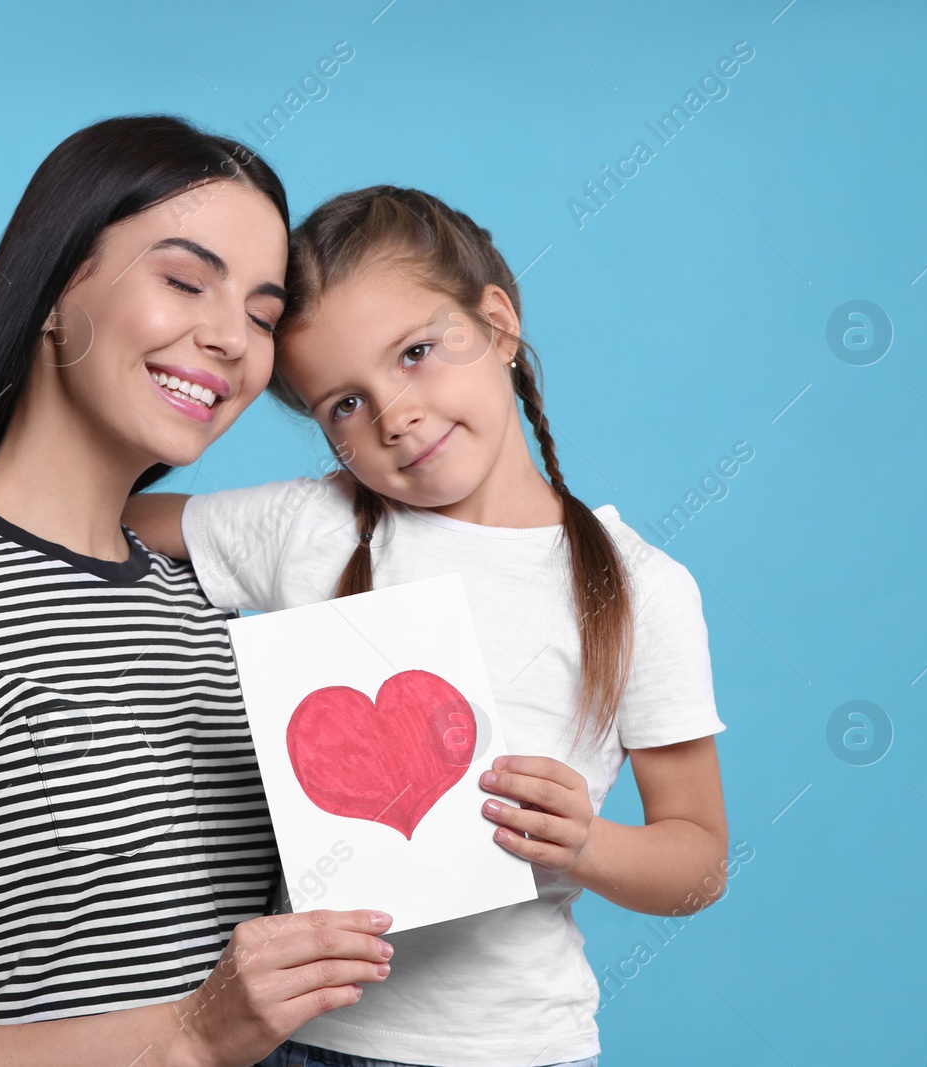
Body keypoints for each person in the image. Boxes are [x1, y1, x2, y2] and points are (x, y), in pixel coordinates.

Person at [0, 116, 396, 1067]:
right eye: (184, 281)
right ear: (56, 292)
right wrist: (185, 1036)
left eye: (263, 317)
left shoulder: (200, 601)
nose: (229, 337)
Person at [124, 186, 731, 1067]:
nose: (395, 416)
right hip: (300, 1036)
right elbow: (103, 518)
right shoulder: (315, 525)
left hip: (513, 1047)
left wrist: (590, 844)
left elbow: (699, 863)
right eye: (345, 405)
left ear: (497, 324)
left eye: (415, 352)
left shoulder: (642, 589)